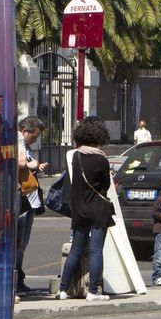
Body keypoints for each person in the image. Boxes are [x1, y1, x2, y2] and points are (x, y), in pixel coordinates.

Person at [58, 117, 115, 301]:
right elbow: (106, 185)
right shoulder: (101, 158)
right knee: (96, 251)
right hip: (98, 210)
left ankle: (63, 290)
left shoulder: (76, 156)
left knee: (76, 250)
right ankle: (92, 291)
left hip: (80, 209)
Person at [16, 116, 48, 296]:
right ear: (25, 131)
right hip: (22, 198)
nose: (35, 140)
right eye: (34, 136)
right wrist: (31, 164)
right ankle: (17, 280)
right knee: (19, 242)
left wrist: (35, 166)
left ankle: (19, 278)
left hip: (29, 198)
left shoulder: (25, 146)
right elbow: (19, 163)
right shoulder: (18, 142)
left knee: (24, 242)